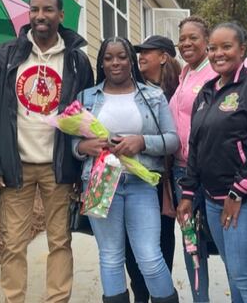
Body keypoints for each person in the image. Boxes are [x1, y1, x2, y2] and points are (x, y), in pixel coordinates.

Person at [0, 0, 94, 303]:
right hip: (15, 164)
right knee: (14, 242)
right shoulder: (6, 55)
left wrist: (83, 166)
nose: (40, 16)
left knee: (60, 240)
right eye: (34, 10)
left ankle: (57, 299)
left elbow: (86, 115)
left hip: (59, 165)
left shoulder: (76, 61)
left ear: (60, 15)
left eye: (47, 10)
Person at [177, 22, 247, 303]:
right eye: (213, 48)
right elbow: (195, 145)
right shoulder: (207, 92)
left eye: (226, 47)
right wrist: (188, 192)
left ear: (242, 49)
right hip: (213, 200)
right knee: (235, 273)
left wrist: (239, 190)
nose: (218, 54)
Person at [74, 36, 180, 303]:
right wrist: (84, 147)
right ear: (101, 63)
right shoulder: (86, 97)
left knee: (149, 255)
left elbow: (173, 140)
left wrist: (142, 142)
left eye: (121, 56)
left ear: (131, 60)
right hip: (100, 182)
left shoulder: (153, 96)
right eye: (108, 58)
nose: (115, 62)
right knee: (110, 256)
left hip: (140, 184)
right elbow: (73, 145)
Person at [129, 35, 181, 303]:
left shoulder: (179, 90)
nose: (141, 57)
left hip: (172, 178)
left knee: (163, 238)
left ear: (164, 56)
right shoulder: (133, 89)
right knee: (133, 244)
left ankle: (161, 292)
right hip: (141, 175)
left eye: (147, 52)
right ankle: (140, 294)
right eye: (139, 52)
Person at [169, 16, 216, 302]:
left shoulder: (213, 73)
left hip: (207, 172)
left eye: (193, 38)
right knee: (191, 242)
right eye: (182, 39)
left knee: (221, 241)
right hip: (180, 171)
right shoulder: (184, 73)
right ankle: (201, 298)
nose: (186, 43)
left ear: (206, 42)